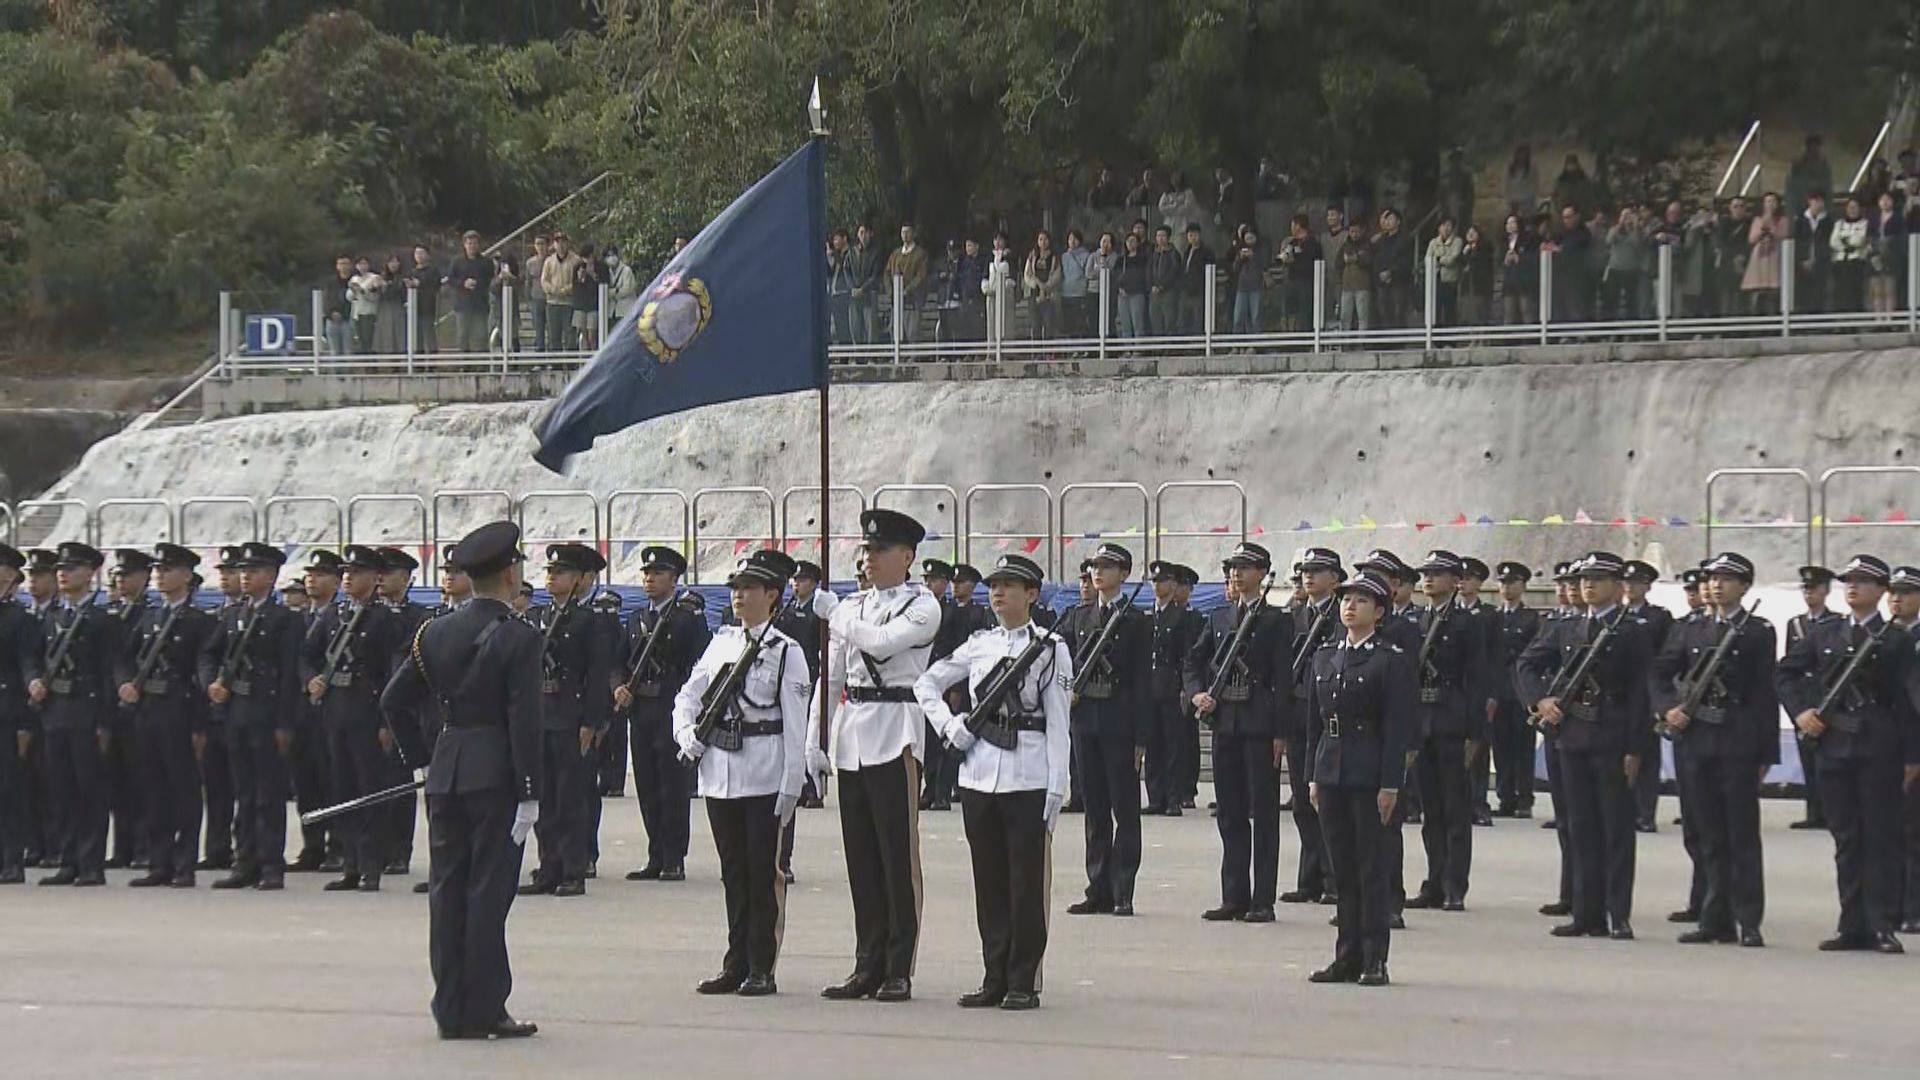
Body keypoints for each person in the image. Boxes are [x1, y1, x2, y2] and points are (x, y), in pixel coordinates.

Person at [379, 521, 542, 1040]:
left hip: (446, 770)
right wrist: (530, 792)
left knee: (447, 892)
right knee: (488, 894)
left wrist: (420, 762)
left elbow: (393, 701)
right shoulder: (520, 636)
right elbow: (524, 721)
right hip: (495, 775)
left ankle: (450, 1007)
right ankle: (486, 1008)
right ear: (511, 574)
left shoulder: (433, 631)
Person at [914, 554, 1071, 1011]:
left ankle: (1022, 979)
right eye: (995, 585)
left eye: (1010, 585)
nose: (998, 592)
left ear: (1032, 594)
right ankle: (994, 975)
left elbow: (1059, 721)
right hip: (979, 775)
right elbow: (926, 684)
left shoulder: (1050, 648)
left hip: (1027, 775)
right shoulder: (979, 644)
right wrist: (950, 725)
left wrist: (1057, 784)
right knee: (989, 882)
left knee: (1025, 883)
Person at [808, 509, 942, 1002]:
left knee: (896, 855)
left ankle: (898, 966)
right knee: (861, 857)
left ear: (906, 557)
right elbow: (832, 678)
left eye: (879, 551)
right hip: (853, 735)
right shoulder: (853, 605)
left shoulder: (922, 606)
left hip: (895, 732)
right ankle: (866, 962)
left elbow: (883, 646)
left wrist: (835, 615)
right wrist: (814, 739)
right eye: (865, 550)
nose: (868, 559)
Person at [676, 549, 810, 998]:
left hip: (764, 771)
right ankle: (735, 962)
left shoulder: (786, 651)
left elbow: (796, 722)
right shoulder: (722, 643)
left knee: (761, 873)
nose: (739, 596)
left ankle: (761, 965)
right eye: (735, 588)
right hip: (721, 771)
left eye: (749, 588)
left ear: (771, 595)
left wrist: (792, 783)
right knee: (732, 873)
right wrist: (685, 734)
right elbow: (687, 697)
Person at [1776, 555, 1917, 954]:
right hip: (1834, 746)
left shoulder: (1896, 640)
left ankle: (1882, 924)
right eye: (1849, 581)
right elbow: (1785, 673)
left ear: (1881, 591)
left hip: (1879, 748)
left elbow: (1908, 701)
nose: (1852, 587)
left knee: (1880, 838)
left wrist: (1912, 756)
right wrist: (1801, 712)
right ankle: (1851, 923)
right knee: (1847, 838)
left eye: (1862, 582)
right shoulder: (1826, 633)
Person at [1517, 551, 1653, 941]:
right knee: (1580, 828)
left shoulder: (1632, 630)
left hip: (1613, 739)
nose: (1588, 585)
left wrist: (1635, 749)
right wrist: (1540, 700)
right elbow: (1526, 664)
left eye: (1598, 579)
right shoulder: (1567, 626)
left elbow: (1640, 695)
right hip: (1573, 738)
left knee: (1616, 829)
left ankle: (1617, 913)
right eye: (1584, 579)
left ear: (1617, 585)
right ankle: (1585, 912)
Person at [1650, 552, 1775, 947]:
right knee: (1707, 833)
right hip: (1696, 740)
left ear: (1744, 586)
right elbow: (1659, 672)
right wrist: (1668, 707)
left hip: (1737, 741)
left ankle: (1748, 919)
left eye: (1727, 579)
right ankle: (1713, 917)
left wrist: (1766, 754)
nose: (1717, 585)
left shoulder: (1757, 631)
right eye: (1713, 578)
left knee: (1741, 834)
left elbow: (1764, 694)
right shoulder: (1690, 628)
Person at [1304, 570, 1416, 987]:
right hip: (1331, 769)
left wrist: (1390, 784)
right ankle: (1346, 955)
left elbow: (1397, 728)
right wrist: (1313, 776)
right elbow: (1313, 725)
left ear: (1380, 611)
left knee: (1371, 868)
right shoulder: (1325, 655)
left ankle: (1374, 958)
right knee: (1343, 870)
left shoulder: (1389, 660)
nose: (1350, 607)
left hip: (1369, 772)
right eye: (1346, 600)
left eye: (1361, 601)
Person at [1187, 542, 1293, 923]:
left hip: (1259, 724)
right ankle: (1234, 895)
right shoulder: (1219, 617)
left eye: (1245, 567)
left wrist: (1281, 732)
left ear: (1262, 573)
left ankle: (1262, 899)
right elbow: (1193, 661)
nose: (1237, 573)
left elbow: (1284, 679)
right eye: (1233, 567)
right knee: (1229, 814)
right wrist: (1196, 693)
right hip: (1225, 723)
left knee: (1263, 814)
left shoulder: (1276, 621)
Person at [201, 541, 303, 891]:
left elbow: (289, 675)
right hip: (236, 712)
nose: (245, 577)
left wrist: (285, 723)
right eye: (242, 571)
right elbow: (209, 654)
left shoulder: (285, 620)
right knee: (243, 792)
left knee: (268, 794)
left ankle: (271, 864)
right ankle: (244, 861)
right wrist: (212, 683)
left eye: (254, 571)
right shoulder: (232, 615)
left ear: (271, 576)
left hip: (267, 713)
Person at [116, 544, 217, 888]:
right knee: (153, 788)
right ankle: (159, 862)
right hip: (148, 712)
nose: (160, 575)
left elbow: (202, 672)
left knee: (184, 790)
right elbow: (123, 658)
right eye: (157, 570)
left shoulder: (200, 621)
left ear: (186, 576)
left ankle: (184, 863)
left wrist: (201, 725)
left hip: (180, 714)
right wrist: (125, 683)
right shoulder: (149, 617)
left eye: (167, 570)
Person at [302, 546, 401, 892]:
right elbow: (307, 654)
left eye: (356, 573)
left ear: (375, 578)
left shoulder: (384, 619)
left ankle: (371, 865)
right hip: (335, 710)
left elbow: (393, 672)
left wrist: (387, 722)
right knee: (341, 788)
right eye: (345, 572)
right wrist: (311, 679)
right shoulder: (334, 614)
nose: (347, 578)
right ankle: (350, 863)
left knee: (369, 790)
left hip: (366, 711)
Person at [1060, 542, 1150, 918]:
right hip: (1085, 721)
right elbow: (1062, 663)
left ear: (1123, 574)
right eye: (1095, 566)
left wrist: (1142, 737)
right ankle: (1097, 887)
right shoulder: (1078, 616)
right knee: (1094, 809)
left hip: (1120, 723)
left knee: (1124, 810)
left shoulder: (1136, 621)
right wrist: (1068, 692)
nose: (1098, 573)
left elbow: (1142, 682)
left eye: (1107, 567)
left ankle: (1122, 889)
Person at [519, 543, 612, 898]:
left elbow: (597, 675)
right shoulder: (536, 617)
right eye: (549, 572)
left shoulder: (590, 620)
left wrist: (591, 721)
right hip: (541, 715)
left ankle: (573, 870)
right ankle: (548, 867)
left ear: (578, 579)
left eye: (561, 573)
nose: (552, 578)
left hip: (571, 718)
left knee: (570, 798)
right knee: (544, 799)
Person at [22, 542, 118, 886]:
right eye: (60, 568)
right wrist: (33, 679)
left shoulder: (102, 620)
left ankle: (91, 863)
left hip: (86, 712)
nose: (63, 574)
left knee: (88, 789)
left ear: (90, 573)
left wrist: (105, 721)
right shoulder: (52, 616)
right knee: (60, 789)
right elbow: (32, 656)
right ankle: (68, 859)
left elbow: (109, 673)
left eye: (72, 568)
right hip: (55, 711)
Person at [617, 546, 711, 882]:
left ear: (673, 579)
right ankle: (655, 854)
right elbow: (619, 660)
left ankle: (674, 857)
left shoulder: (686, 618)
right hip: (641, 709)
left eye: (657, 574)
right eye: (646, 573)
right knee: (647, 784)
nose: (650, 579)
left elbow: (702, 664)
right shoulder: (635, 619)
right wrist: (618, 686)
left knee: (672, 786)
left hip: (670, 709)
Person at [1405, 551, 1488, 911]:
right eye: (1425, 573)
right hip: (1422, 722)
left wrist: (1474, 733)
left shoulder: (1468, 623)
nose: (1428, 579)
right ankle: (1434, 881)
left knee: (1455, 810)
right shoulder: (1416, 620)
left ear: (1455, 581)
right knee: (1431, 811)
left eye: (1437, 574)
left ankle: (1455, 885)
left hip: (1453, 721)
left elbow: (1477, 680)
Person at [1285, 548, 1344, 904]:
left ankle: (1334, 879)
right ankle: (1309, 878)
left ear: (1334, 579)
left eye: (1317, 571)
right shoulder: (1292, 616)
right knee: (1301, 802)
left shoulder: (1342, 617)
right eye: (1305, 571)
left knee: (1327, 803)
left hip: (1327, 715)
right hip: (1296, 715)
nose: (1308, 577)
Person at [376, 547, 434, 875]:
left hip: (404, 711)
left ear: (406, 578)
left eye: (389, 573)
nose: (381, 578)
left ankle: (399, 850)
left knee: (399, 782)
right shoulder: (363, 615)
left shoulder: (418, 618)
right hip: (366, 708)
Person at [1144, 561, 1203, 817]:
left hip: (1171, 686)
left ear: (1173, 584)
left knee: (1173, 745)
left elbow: (1188, 655)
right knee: (1152, 744)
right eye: (1154, 581)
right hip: (1151, 686)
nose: (1158, 586)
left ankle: (1173, 797)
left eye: (1163, 581)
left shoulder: (1183, 616)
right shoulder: (1148, 616)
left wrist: (1184, 689)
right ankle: (1155, 797)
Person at [1490, 563, 1542, 818]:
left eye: (1512, 583)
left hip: (1521, 691)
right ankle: (1505, 797)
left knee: (1523, 746)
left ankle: (1524, 798)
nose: (1506, 588)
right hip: (1498, 689)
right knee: (1500, 746)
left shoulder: (1531, 618)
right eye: (1503, 583)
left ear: (1522, 586)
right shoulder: (1493, 617)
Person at [0, 544, 33, 884]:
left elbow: (26, 669)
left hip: (7, 714)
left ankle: (11, 860)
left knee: (8, 789)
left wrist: (25, 723)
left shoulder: (20, 619)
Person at [448, 231, 494, 355]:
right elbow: (451, 279)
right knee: (462, 335)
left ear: (478, 245)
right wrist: (463, 283)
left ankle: (481, 362)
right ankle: (464, 362)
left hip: (480, 304)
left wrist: (477, 283)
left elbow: (490, 279)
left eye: (474, 243)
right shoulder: (457, 261)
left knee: (481, 335)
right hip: (462, 304)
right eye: (469, 243)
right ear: (464, 245)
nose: (472, 246)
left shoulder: (486, 262)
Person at [1743, 193, 1787, 315]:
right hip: (1759, 257)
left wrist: (1771, 225)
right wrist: (1763, 226)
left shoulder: (1782, 220)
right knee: (1757, 289)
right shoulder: (1757, 220)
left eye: (1773, 201)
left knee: (1773, 291)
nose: (1770, 204)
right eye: (1767, 201)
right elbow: (1752, 239)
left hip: (1775, 255)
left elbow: (1783, 235)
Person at [886, 225, 929, 344]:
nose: (905, 235)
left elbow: (920, 276)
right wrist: (891, 292)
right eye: (903, 232)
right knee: (894, 331)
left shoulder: (920, 254)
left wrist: (907, 291)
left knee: (912, 332)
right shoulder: (895, 254)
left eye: (908, 232)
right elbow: (887, 273)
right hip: (896, 300)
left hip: (912, 300)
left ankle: (913, 353)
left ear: (913, 233)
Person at [1022, 230, 1061, 340]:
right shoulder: (1032, 256)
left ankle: (1048, 348)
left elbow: (1057, 274)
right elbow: (1027, 274)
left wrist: (1046, 286)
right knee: (1035, 324)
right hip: (1034, 293)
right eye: (1040, 239)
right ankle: (1036, 349)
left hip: (1049, 294)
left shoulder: (1054, 257)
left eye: (1045, 239)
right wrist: (1037, 285)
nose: (1043, 242)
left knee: (1049, 323)